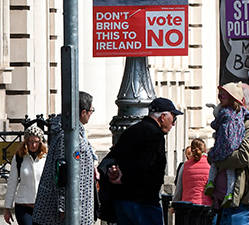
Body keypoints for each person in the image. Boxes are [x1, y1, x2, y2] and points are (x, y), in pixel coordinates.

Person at [105, 97, 183, 225]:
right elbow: (145, 165)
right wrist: (124, 179)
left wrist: (115, 173)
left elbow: (114, 155)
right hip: (143, 201)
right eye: (173, 118)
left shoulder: (131, 130)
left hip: (122, 200)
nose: (173, 124)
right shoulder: (156, 136)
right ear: (163, 117)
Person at [33, 91, 97, 225]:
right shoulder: (67, 137)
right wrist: (63, 207)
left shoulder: (76, 134)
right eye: (91, 110)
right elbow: (61, 172)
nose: (92, 114)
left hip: (77, 211)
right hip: (58, 217)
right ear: (83, 112)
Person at [213, 84, 249, 224]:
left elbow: (243, 157)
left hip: (245, 203)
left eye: (224, 96)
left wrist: (217, 159)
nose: (220, 100)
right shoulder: (231, 124)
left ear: (240, 100)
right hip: (230, 203)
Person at [204, 82, 249, 209]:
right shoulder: (241, 112)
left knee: (214, 161)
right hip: (235, 145)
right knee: (230, 171)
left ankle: (210, 182)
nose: (219, 97)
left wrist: (214, 121)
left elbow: (215, 124)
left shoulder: (224, 112)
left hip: (223, 144)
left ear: (231, 98)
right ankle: (229, 194)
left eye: (222, 96)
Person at [4, 125, 47, 225]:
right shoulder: (19, 158)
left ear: (40, 142)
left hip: (42, 207)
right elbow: (12, 183)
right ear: (26, 142)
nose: (33, 145)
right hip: (23, 206)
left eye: (36, 142)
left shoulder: (46, 158)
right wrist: (7, 208)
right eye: (31, 142)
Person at [173, 138, 212, 206]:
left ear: (191, 150)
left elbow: (179, 189)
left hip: (187, 206)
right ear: (205, 150)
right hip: (206, 206)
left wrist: (174, 204)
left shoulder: (185, 166)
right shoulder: (210, 165)